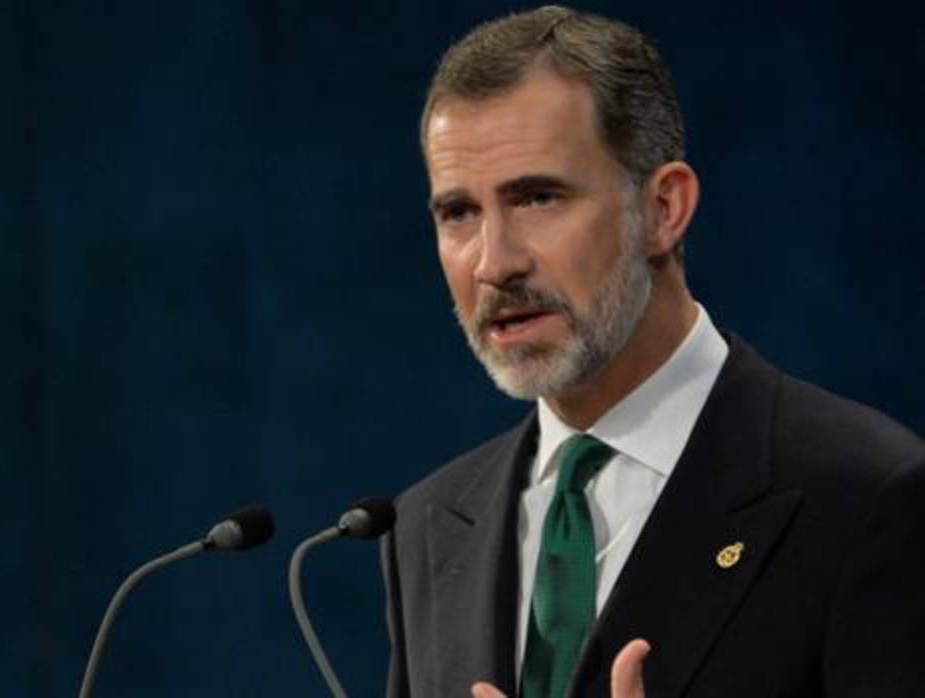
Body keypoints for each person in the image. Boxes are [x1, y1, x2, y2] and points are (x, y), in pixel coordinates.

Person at [380, 5, 924, 698]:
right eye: (458, 212)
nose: (494, 263)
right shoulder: (428, 528)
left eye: (538, 198)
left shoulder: (869, 494)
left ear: (663, 208)